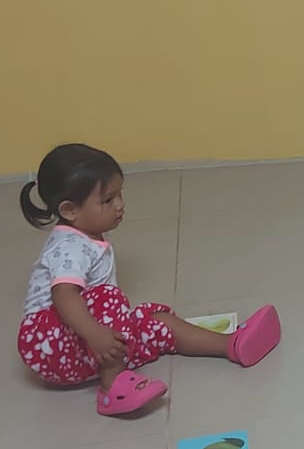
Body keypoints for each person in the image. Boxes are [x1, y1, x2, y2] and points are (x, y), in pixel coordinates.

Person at [16, 143, 279, 415]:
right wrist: (95, 334)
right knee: (108, 297)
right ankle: (111, 387)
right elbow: (64, 295)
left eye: (120, 194)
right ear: (70, 210)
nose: (120, 205)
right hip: (47, 345)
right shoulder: (69, 247)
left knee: (155, 321)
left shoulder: (85, 235)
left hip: (78, 340)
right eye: (108, 200)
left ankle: (231, 345)